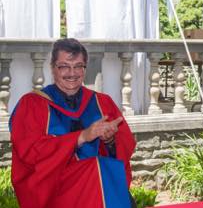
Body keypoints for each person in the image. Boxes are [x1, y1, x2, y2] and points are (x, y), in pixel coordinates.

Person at [9, 38, 137, 208]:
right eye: (64, 66)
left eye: (78, 66)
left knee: (101, 172)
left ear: (85, 68)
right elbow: (30, 152)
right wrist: (81, 137)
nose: (72, 73)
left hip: (96, 180)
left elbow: (124, 149)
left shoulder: (102, 102)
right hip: (54, 187)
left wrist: (110, 142)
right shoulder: (32, 104)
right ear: (52, 68)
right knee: (98, 171)